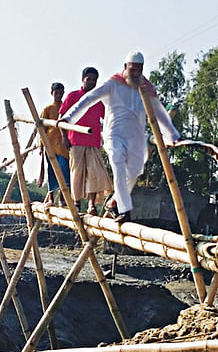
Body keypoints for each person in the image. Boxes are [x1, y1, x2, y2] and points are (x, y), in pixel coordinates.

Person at [60, 50, 180, 223]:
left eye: (139, 70)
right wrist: (68, 118)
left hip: (135, 136)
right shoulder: (112, 84)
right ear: (125, 67)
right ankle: (124, 210)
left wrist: (173, 135)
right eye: (133, 70)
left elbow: (158, 112)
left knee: (135, 170)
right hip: (114, 135)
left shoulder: (145, 87)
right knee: (118, 164)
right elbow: (88, 100)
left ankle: (114, 202)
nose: (136, 74)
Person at [60, 67, 112, 214]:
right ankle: (76, 203)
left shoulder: (98, 99)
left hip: (93, 141)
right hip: (75, 140)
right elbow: (61, 119)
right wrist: (64, 137)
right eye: (88, 79)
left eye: (94, 80)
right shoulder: (73, 96)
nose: (91, 82)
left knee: (94, 173)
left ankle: (91, 205)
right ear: (83, 79)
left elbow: (106, 118)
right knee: (77, 173)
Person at [39, 82, 72, 204]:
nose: (58, 95)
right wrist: (41, 146)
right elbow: (42, 129)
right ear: (52, 93)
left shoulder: (67, 108)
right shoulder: (47, 109)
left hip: (63, 144)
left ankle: (63, 197)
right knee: (51, 170)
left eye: (60, 92)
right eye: (56, 93)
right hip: (50, 144)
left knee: (64, 169)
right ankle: (51, 196)